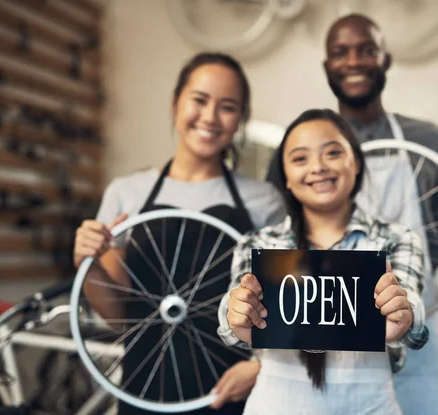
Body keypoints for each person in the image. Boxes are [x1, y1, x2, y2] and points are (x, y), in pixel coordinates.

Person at [264, 14, 438, 415]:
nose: (354, 61)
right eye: (341, 52)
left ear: (385, 59)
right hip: (327, 341)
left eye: (366, 49)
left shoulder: (429, 141)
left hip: (417, 326)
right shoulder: (296, 146)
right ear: (327, 66)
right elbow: (282, 252)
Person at [73, 53, 286, 415]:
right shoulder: (126, 193)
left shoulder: (263, 200)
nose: (210, 117)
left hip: (234, 390)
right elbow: (121, 317)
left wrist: (261, 367)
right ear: (175, 103)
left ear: (239, 121)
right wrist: (87, 263)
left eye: (227, 107)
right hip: (144, 386)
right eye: (199, 100)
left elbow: (286, 308)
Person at [218, 108, 429, 414]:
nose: (317, 167)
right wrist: (235, 313)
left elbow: (412, 309)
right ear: (286, 177)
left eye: (332, 153)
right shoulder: (257, 245)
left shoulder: (398, 239)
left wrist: (405, 313)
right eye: (300, 158)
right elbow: (230, 322)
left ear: (355, 163)